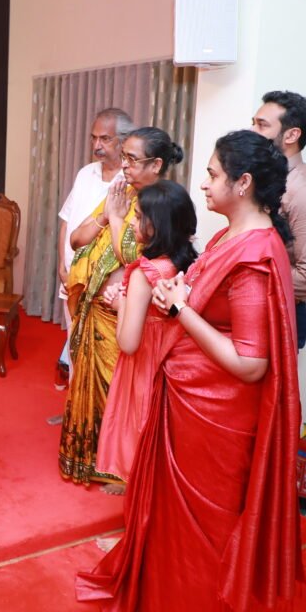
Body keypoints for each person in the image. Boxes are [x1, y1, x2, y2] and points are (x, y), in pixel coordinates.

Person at [76, 130, 304, 612]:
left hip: (213, 417)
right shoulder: (228, 237)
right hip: (188, 399)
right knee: (170, 520)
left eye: (213, 174)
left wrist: (180, 309)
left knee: (199, 529)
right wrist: (177, 297)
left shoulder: (255, 255)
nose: (203, 184)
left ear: (243, 183)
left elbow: (250, 363)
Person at [60, 126, 182, 491]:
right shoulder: (122, 193)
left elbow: (135, 257)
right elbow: (77, 238)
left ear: (156, 164)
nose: (124, 165)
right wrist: (106, 216)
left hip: (126, 311)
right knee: (89, 385)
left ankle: (122, 469)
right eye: (124, 157)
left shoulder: (161, 204)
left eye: (131, 158)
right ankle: (91, 460)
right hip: (95, 304)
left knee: (121, 392)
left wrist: (114, 219)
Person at [96, 180, 197, 486]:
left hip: (145, 367)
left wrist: (121, 302)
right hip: (175, 362)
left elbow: (128, 342)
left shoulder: (145, 273)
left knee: (140, 436)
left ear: (157, 225)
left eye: (139, 217)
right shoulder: (186, 263)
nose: (133, 222)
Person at [51, 108, 132, 409]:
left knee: (100, 356)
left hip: (103, 288)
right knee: (74, 345)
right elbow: (66, 221)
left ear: (123, 141)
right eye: (93, 138)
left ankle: (98, 417)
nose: (97, 145)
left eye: (105, 139)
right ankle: (76, 411)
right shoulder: (86, 173)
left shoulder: (129, 181)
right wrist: (61, 266)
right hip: (71, 279)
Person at [251, 90, 306, 349]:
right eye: (253, 123)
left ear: (291, 135)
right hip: (250, 307)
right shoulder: (259, 178)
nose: (252, 132)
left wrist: (246, 279)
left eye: (262, 125)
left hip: (279, 314)